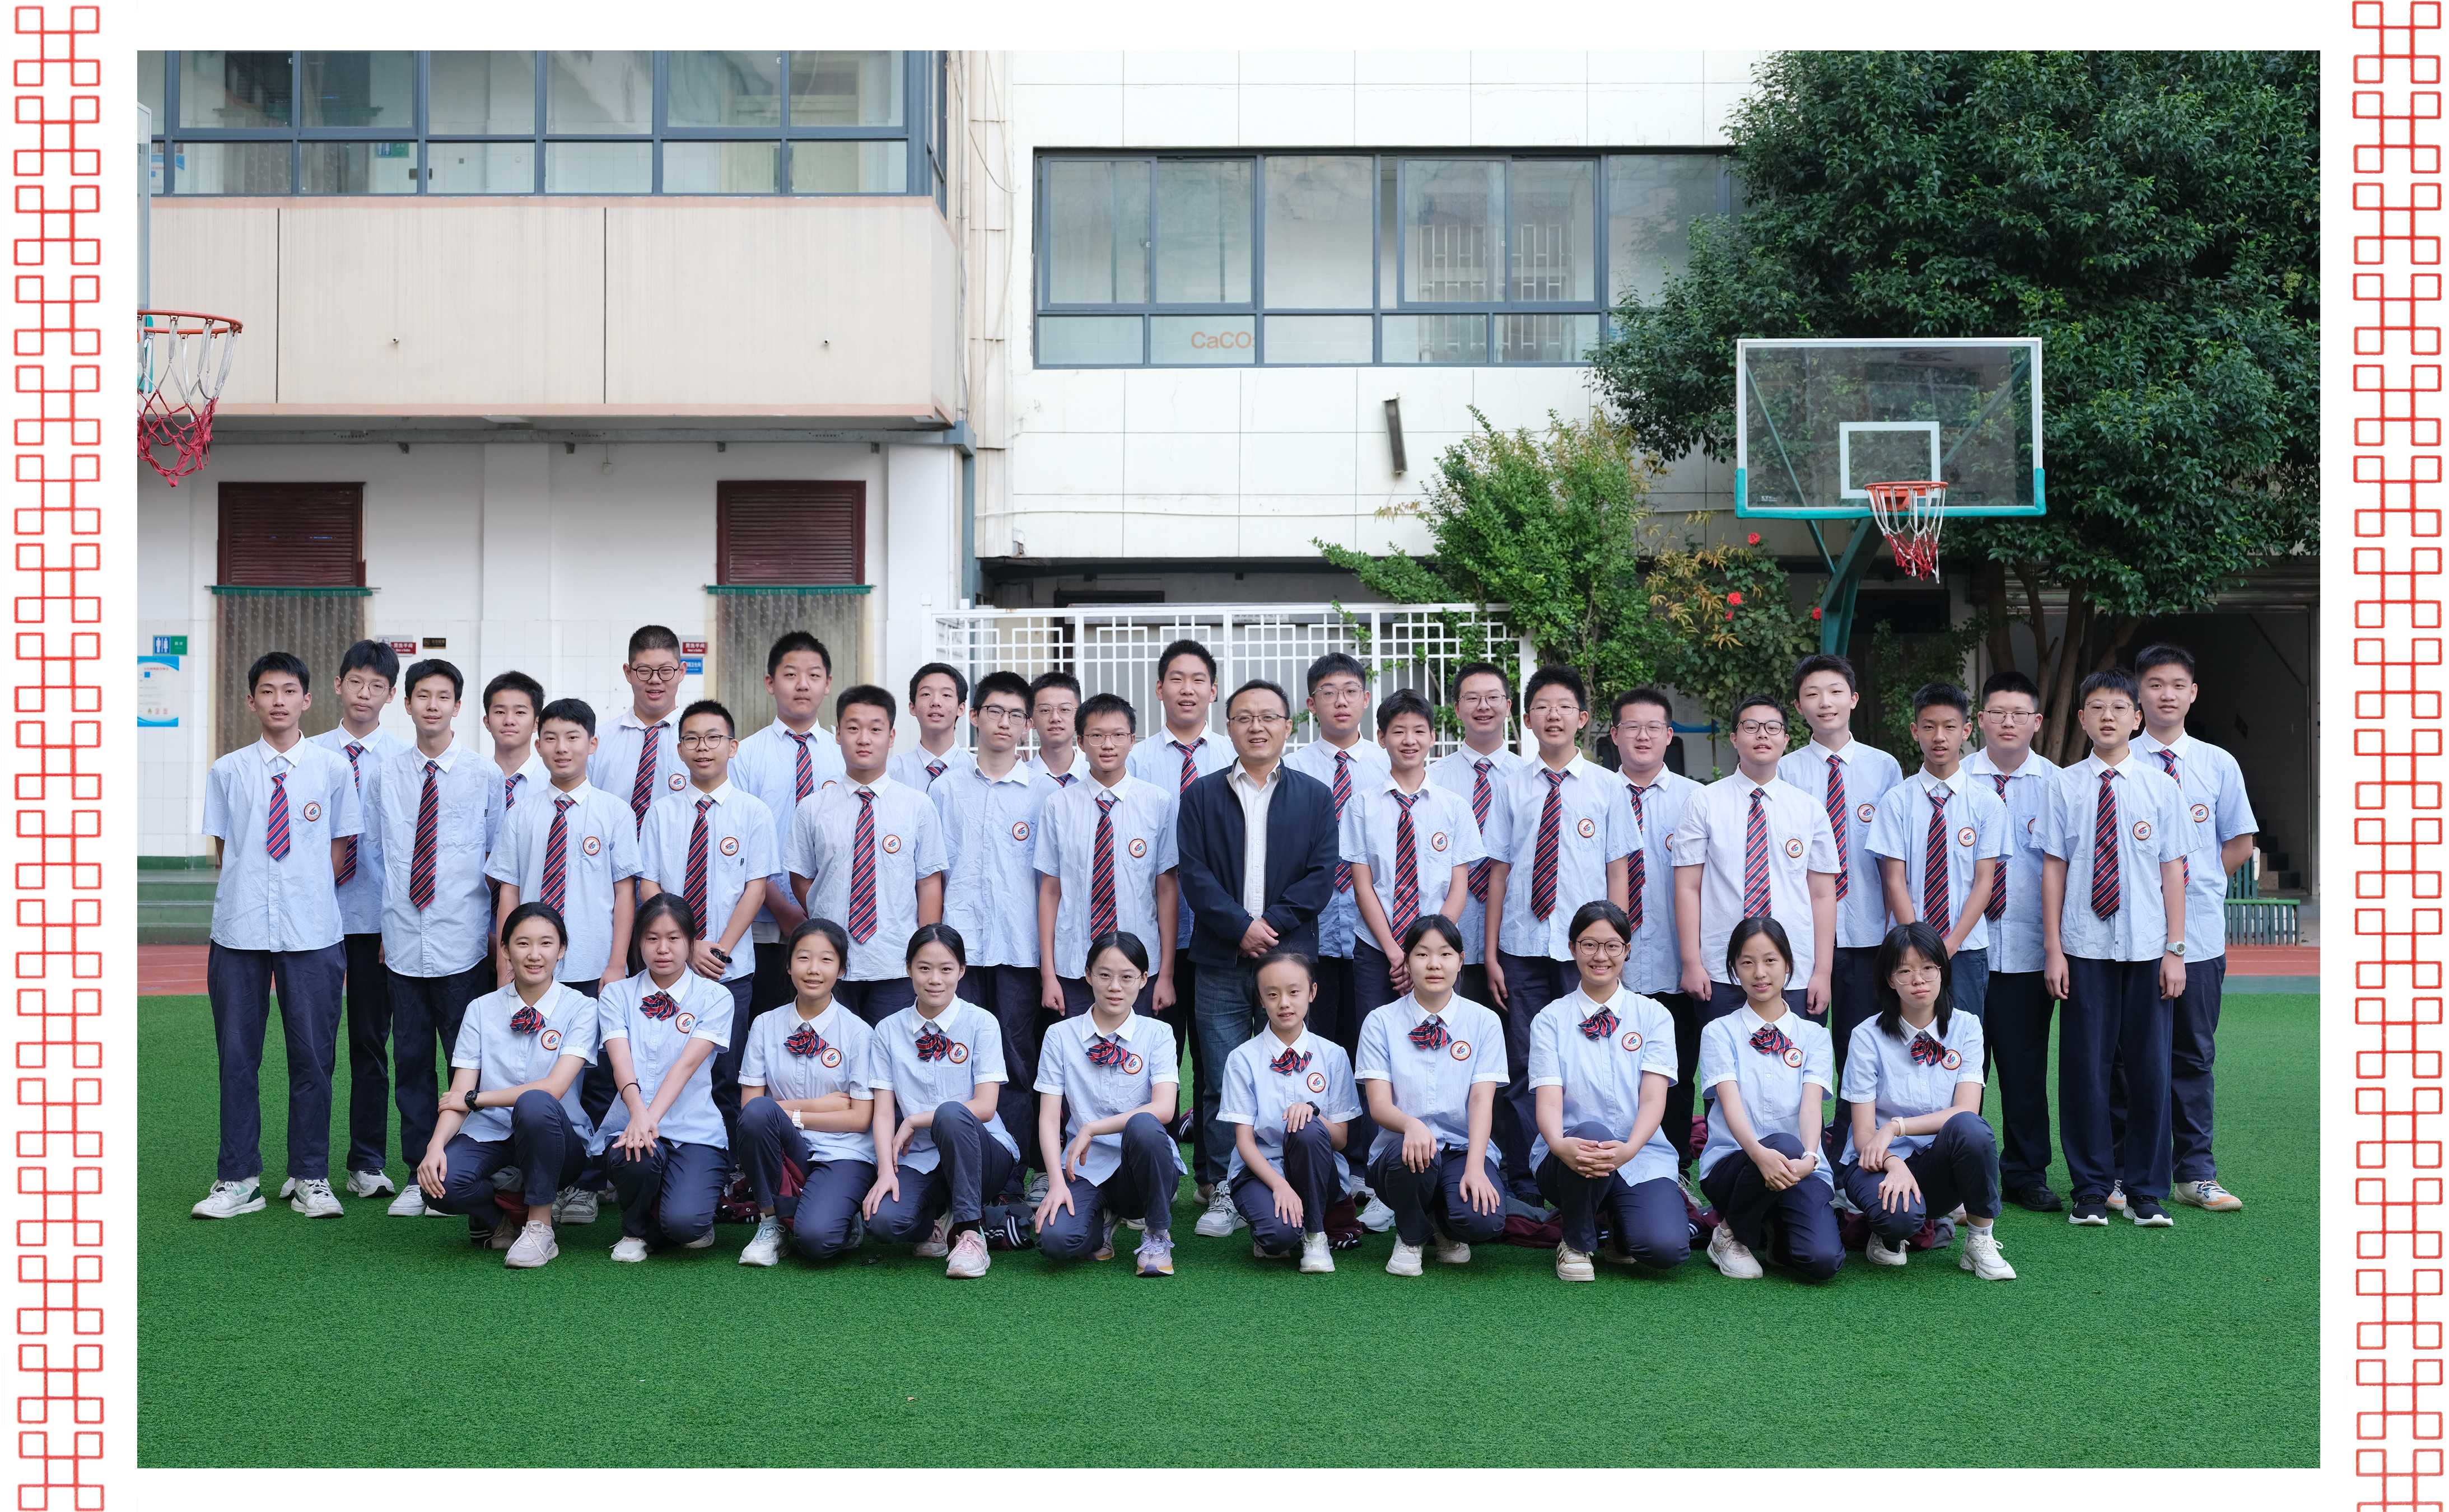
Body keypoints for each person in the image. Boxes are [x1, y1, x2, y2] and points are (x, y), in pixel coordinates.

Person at [192, 651, 363, 1221]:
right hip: (239, 931)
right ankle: (239, 1178)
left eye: (289, 691)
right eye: (267, 691)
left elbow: (339, 851)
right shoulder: (228, 771)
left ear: (308, 700)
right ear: (251, 701)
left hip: (312, 931)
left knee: (313, 1058)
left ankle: (311, 1175)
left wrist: (300, 894)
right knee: (238, 1058)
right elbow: (227, 851)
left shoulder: (333, 770)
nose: (279, 701)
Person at [1175, 678, 1340, 1240]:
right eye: (1244, 717)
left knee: (1291, 1075)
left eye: (1268, 717)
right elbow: (1194, 874)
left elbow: (1320, 875)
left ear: (1288, 726)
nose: (1256, 727)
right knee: (1222, 1079)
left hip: (1288, 958)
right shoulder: (1201, 795)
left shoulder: (1315, 796)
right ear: (1229, 728)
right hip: (1220, 958)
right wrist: (1239, 928)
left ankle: (1293, 1177)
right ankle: (1224, 1186)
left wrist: (1268, 928)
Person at [2040, 668, 2190, 1229]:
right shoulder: (2063, 785)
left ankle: (2146, 1191)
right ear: (2081, 718)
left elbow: (2172, 872)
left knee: (2149, 1072)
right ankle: (2089, 1189)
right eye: (2097, 708)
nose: (2108, 716)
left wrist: (2175, 950)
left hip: (2148, 949)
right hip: (2083, 949)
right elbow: (2053, 869)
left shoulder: (2160, 787)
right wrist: (2053, 950)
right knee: (2084, 1070)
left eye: (2119, 708)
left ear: (2136, 718)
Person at [484, 697, 642, 1224]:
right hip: (534, 969)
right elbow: (509, 890)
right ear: (538, 745)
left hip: (594, 964)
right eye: (550, 738)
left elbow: (624, 893)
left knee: (596, 1078)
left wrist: (617, 963)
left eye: (573, 737)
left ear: (592, 744)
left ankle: (586, 1184)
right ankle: (539, 1177)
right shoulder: (522, 812)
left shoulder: (614, 812)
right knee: (540, 1069)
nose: (561, 748)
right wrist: (505, 960)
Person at [1481, 666, 1634, 1198]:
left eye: (1564, 707)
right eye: (1542, 707)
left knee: (1588, 1060)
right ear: (1526, 719)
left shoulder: (1608, 787)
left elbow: (1618, 871)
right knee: (1526, 1063)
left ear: (1582, 718)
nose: (1553, 716)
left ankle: (1592, 1166)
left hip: (1586, 955)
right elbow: (1498, 872)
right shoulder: (1510, 787)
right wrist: (1491, 953)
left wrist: (1614, 949)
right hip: (1521, 947)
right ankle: (1527, 1178)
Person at [2128, 642, 2260, 1213]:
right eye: (2155, 684)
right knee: (2127, 1056)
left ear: (2192, 694)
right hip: (2131, 932)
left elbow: (2239, 843)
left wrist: (2193, 886)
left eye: (2176, 685)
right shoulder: (2118, 761)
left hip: (2199, 935)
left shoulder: (2216, 763)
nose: (2166, 695)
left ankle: (2195, 1172)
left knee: (2192, 1054)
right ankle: (2125, 1169)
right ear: (2138, 693)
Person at [372, 659, 503, 1220]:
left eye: (442, 696)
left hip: (462, 943)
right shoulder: (385, 774)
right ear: (407, 705)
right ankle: (414, 1173)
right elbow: (379, 855)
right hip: (404, 943)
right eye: (422, 695)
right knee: (410, 1062)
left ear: (458, 706)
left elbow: (498, 858)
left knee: (465, 1063)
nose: (432, 705)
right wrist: (386, 925)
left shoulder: (484, 776)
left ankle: (459, 1168)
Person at [417, 902, 597, 1269]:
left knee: (535, 1102)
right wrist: (434, 1147)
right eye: (523, 943)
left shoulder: (581, 1008)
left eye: (546, 943)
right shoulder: (481, 1009)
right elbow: (459, 1093)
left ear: (562, 950)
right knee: (438, 1185)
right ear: (505, 949)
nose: (534, 955)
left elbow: (553, 1089)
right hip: (491, 1135)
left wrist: (477, 1099)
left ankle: (540, 1227)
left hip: (557, 1143)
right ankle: (500, 1219)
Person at [931, 671, 1056, 1200]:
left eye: (1015, 715)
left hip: (1018, 951)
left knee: (1016, 1065)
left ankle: (1010, 1181)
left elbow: (1050, 882)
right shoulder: (945, 788)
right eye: (994, 711)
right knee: (957, 1062)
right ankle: (959, 1174)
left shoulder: (1045, 793)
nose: (1004, 723)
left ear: (1027, 725)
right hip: (958, 954)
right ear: (974, 716)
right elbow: (934, 872)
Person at [1838, 922, 2017, 1280]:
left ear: (1942, 971)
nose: (1918, 980)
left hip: (1937, 1162)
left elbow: (1966, 1110)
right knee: (1899, 1220)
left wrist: (1896, 1127)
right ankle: (1887, 1233)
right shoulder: (1867, 1036)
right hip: (1876, 1162)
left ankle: (1980, 1240)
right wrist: (1893, 1162)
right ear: (1890, 980)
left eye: (1928, 968)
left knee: (1972, 1128)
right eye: (1904, 971)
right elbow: (1863, 1137)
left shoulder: (1966, 1027)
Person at [636, 698, 774, 1151]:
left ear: (732, 747)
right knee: (666, 1064)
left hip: (729, 970)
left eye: (713, 738)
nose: (702, 747)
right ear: (679, 749)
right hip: (670, 969)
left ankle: (728, 1164)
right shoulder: (661, 812)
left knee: (727, 1072)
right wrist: (687, 945)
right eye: (692, 739)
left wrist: (718, 950)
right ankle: (664, 1152)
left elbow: (755, 888)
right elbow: (649, 884)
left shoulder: (753, 812)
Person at [1529, 902, 1690, 1281]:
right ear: (1572, 948)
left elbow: (1654, 1099)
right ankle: (1576, 1242)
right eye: (1589, 945)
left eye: (1612, 946)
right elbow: (1548, 1101)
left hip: (1639, 1153)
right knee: (1592, 1132)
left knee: (1664, 1249)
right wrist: (1558, 1144)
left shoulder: (1654, 1016)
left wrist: (1630, 1149)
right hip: (1570, 1156)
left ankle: (1620, 1228)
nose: (1600, 956)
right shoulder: (1550, 1020)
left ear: (1627, 950)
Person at [1864, 682, 2005, 1112]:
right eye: (1928, 727)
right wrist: (1918, 947)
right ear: (1914, 731)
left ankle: (1962, 1134)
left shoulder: (1985, 803)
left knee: (1963, 1051)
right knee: (1905, 1048)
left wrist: (1948, 945)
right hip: (1908, 953)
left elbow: (1984, 882)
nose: (1938, 737)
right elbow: (1894, 879)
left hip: (1965, 950)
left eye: (1948, 726)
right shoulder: (1896, 801)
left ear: (1967, 731)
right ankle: (1908, 1136)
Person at [1127, 639, 1235, 1192]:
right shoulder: (1136, 759)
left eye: (1197, 680)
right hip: (1152, 938)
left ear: (1212, 691)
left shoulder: (1234, 756)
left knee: (1216, 1060)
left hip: (1220, 935)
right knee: (1155, 1058)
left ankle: (1214, 1177)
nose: (1186, 689)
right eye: (1176, 678)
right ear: (1159, 689)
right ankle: (1156, 1172)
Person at [861, 924, 1019, 1278]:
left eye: (946, 969)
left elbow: (986, 1106)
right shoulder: (888, 1030)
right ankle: (938, 1217)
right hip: (919, 1156)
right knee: (884, 1222)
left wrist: (916, 1119)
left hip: (984, 1154)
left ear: (962, 971)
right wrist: (885, 1171)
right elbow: (883, 1112)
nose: (935, 979)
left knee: (951, 1113)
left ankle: (971, 1233)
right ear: (908, 969)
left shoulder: (981, 1023)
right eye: (924, 968)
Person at [307, 639, 404, 1205]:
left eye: (377, 686)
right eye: (356, 682)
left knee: (371, 1043)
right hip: (314, 921)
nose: (364, 694)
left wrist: (397, 923)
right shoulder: (309, 754)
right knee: (313, 1046)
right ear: (338, 685)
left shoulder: (403, 759)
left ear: (390, 695)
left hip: (376, 922)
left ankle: (366, 1162)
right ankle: (308, 1166)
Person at [1356, 914, 1508, 1275]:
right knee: (1411, 1153)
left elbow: (1481, 1101)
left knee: (1483, 1221)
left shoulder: (1484, 1021)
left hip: (1460, 1150)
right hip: (1401, 1154)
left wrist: (1475, 1168)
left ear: (1461, 960)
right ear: (1407, 962)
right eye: (1422, 954)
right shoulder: (1381, 1021)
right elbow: (1379, 1105)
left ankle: (1443, 1224)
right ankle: (1411, 1235)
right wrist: (1412, 1125)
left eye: (1445, 954)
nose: (1434, 964)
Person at [786, 684, 946, 1025]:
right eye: (853, 728)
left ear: (891, 737)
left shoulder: (917, 806)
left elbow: (929, 883)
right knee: (833, 1050)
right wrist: (828, 912)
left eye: (875, 729)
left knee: (893, 1049)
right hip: (830, 963)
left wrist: (925, 951)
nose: (864, 739)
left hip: (895, 960)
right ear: (838, 735)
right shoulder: (813, 808)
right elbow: (801, 879)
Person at [1965, 670, 2064, 1211]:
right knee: (1960, 1068)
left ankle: (2026, 1173)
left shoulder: (2057, 784)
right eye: (1997, 713)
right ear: (1980, 720)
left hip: (2027, 953)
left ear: (2036, 721)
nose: (2007, 722)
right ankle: (1960, 1172)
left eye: (2018, 714)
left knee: (2024, 1071)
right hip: (1963, 952)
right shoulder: (1955, 780)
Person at [1674, 693, 1839, 1020]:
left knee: (1795, 1052)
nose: (1762, 734)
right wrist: (1692, 962)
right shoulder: (1704, 802)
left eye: (1772, 727)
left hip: (1793, 967)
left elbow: (1822, 895)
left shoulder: (1808, 809)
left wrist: (1823, 971)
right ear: (1734, 738)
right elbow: (1687, 887)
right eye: (1751, 727)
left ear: (1786, 739)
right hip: (1722, 966)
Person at [1695, 916, 1841, 1281]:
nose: (1759, 973)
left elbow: (1812, 1107)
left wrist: (1810, 1157)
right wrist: (1761, 1154)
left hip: (1799, 1166)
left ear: (1788, 965)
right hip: (1734, 1166)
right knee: (1783, 1143)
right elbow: (1729, 1106)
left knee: (1821, 1262)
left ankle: (1775, 1229)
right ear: (1734, 969)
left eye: (1770, 960)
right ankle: (1727, 1234)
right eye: (1747, 962)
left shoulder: (1814, 1036)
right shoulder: (1718, 1032)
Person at [1032, 932, 1183, 1276]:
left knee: (1145, 1125)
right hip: (1086, 1166)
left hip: (1143, 1166)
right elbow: (1048, 1119)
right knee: (1056, 1242)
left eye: (1127, 977)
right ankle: (1102, 1221)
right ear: (1088, 975)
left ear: (1143, 980)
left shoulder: (1158, 1034)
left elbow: (1164, 1109)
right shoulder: (1060, 1035)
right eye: (1104, 975)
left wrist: (1093, 1127)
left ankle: (1157, 1233)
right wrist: (1056, 1183)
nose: (1115, 987)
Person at [594, 893, 735, 1261]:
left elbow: (685, 1068)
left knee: (686, 1225)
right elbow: (620, 1062)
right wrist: (638, 1115)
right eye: (652, 938)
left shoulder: (715, 997)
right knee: (636, 1154)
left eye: (674, 938)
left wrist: (648, 1118)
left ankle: (669, 1217)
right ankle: (635, 1230)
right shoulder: (617, 995)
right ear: (638, 942)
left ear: (690, 942)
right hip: (631, 1124)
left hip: (694, 1129)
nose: (662, 949)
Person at [1282, 652, 1391, 1125]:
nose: (1340, 702)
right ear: (1311, 704)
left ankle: (1370, 1148)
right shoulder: (1291, 769)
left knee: (1371, 1042)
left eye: (1349, 692)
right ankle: (1317, 1140)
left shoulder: (1389, 766)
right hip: (1312, 930)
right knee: (1315, 1043)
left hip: (1377, 932)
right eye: (1328, 693)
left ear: (1365, 699)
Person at [733, 916, 877, 1267]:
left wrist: (786, 1112)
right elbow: (752, 1108)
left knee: (817, 1241)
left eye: (826, 960)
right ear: (788, 966)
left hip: (842, 1151)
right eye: (803, 958)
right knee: (757, 1116)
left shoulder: (859, 1033)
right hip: (786, 1147)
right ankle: (771, 1222)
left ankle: (839, 1214)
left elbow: (860, 1119)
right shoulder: (765, 1025)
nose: (814, 969)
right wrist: (819, 1106)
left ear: (841, 970)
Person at [1780, 654, 1904, 1059]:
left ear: (1853, 699)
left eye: (1835, 692)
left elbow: (1894, 858)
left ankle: (1856, 1108)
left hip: (1868, 930)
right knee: (1800, 1043)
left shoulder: (1883, 767)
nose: (1825, 702)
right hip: (1800, 933)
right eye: (1812, 694)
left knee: (1863, 1047)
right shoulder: (1784, 771)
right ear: (1798, 706)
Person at [1606, 687, 1704, 1167]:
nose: (1641, 737)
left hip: (1675, 961)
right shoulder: (1597, 794)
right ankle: (1613, 1165)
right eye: (1631, 727)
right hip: (1608, 965)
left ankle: (1675, 1167)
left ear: (1669, 735)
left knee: (1677, 1071)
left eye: (1652, 728)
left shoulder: (1695, 799)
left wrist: (1695, 960)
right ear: (1613, 734)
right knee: (1611, 1073)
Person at [1218, 949, 1360, 1273]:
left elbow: (1340, 1140)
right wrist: (1280, 1185)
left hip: (1318, 1171)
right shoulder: (1243, 1058)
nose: (1284, 1003)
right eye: (1272, 994)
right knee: (1277, 1238)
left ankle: (1315, 1235)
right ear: (1260, 999)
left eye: (1294, 992)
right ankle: (1274, 1221)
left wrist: (1312, 1113)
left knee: (1306, 1126)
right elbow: (1245, 1143)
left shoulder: (1333, 1055)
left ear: (1312, 992)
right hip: (1260, 1170)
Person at [1036, 692, 1178, 1017]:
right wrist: (1048, 976)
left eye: (1118, 735)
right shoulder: (1058, 805)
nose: (1108, 745)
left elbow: (1167, 889)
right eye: (1097, 736)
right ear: (1081, 742)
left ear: (1132, 740)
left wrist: (1167, 975)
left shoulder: (1157, 803)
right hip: (1074, 961)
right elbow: (1050, 891)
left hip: (1138, 965)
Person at [729, 631, 845, 1016]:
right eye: (791, 674)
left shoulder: (843, 755)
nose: (802, 685)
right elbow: (741, 843)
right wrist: (782, 909)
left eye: (814, 675)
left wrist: (817, 907)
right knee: (765, 1019)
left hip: (831, 917)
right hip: (761, 920)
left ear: (828, 684)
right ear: (770, 683)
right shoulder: (745, 756)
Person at [1428, 660, 1526, 1010]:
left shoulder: (1530, 779)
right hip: (1450, 935)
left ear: (1508, 706)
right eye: (1472, 698)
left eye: (1493, 697)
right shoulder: (1432, 780)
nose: (1483, 706)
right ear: (1457, 709)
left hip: (1515, 937)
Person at [587, 624, 691, 836]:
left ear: (681, 672)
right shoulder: (598, 742)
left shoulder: (700, 744)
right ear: (628, 673)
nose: (655, 680)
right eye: (644, 671)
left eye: (666, 671)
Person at [480, 669, 548, 837]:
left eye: (520, 712)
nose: (509, 720)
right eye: (500, 712)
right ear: (487, 722)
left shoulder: (550, 785)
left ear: (536, 724)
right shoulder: (473, 783)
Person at [888, 662, 974, 792]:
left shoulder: (976, 770)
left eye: (946, 695)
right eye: (926, 694)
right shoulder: (892, 772)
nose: (936, 702)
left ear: (961, 708)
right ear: (912, 707)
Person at [1025, 671, 1084, 787]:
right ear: (1031, 719)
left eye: (1065, 709)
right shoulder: (1018, 780)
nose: (1055, 718)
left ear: (1080, 716)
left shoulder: (1095, 778)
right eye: (1045, 710)